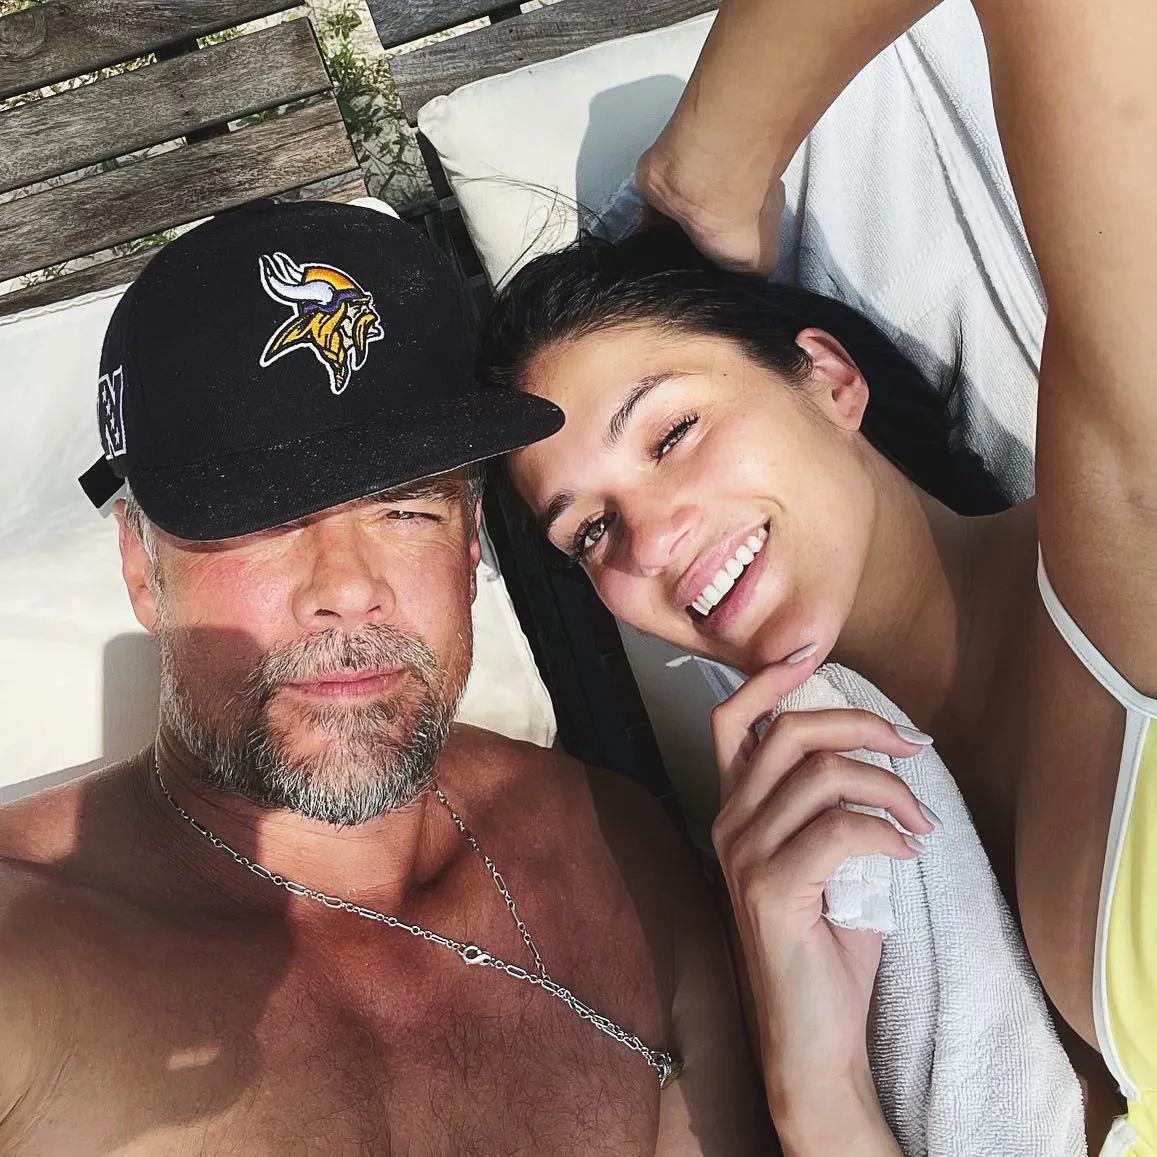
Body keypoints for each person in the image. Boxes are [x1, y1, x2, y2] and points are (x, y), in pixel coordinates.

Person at [479, 0, 1157, 1151]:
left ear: (830, 379)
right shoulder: (810, 880)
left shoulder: (1124, 533)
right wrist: (814, 1079)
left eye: (672, 432)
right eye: (588, 532)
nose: (650, 542)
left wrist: (702, 176)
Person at [0, 201, 771, 1154]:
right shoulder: (28, 947)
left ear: (471, 536)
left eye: (406, 508)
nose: (348, 588)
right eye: (261, 517)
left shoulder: (617, 856)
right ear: (138, 565)